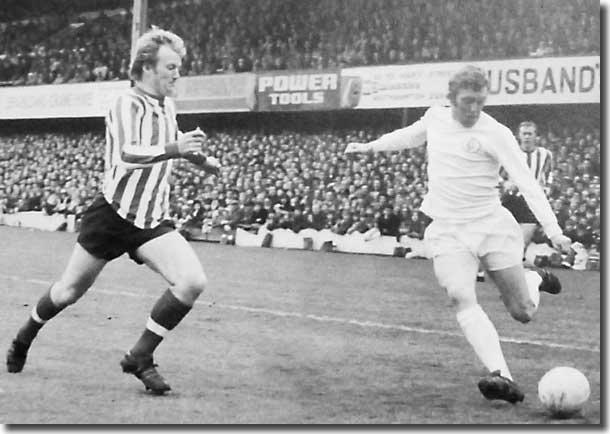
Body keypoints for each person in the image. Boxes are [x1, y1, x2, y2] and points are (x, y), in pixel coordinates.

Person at [6, 28, 220, 395]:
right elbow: (127, 154)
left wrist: (200, 159)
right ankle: (25, 335)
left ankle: (140, 355)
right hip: (112, 215)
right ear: (146, 67)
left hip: (151, 220)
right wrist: (176, 147)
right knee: (68, 291)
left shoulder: (167, 106)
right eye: (171, 66)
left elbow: (169, 145)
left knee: (192, 282)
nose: (177, 74)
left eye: (178, 66)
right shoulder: (126, 103)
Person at [345, 65, 572, 404]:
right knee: (460, 295)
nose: (474, 109)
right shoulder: (435, 118)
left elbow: (527, 182)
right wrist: (370, 147)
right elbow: (410, 135)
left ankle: (533, 279)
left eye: (480, 101)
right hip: (449, 229)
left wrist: (554, 232)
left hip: (490, 226)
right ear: (451, 99)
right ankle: (502, 375)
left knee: (522, 311)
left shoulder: (496, 133)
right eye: (467, 101)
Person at [500, 121, 554, 252]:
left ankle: (516, 265)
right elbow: (496, 175)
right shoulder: (509, 152)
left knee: (522, 243)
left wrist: (545, 191)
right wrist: (505, 183)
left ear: (536, 136)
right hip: (510, 199)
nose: (527, 137)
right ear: (519, 136)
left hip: (530, 202)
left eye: (530, 134)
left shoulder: (545, 154)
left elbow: (548, 177)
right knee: (501, 240)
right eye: (524, 134)